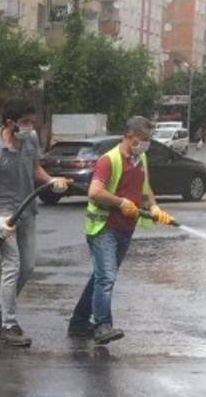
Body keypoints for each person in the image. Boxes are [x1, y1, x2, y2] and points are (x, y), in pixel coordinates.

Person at [0, 98, 69, 348]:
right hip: (4, 216)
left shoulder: (30, 140)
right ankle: (9, 324)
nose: (30, 127)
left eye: (32, 122)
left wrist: (51, 181)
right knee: (12, 265)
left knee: (28, 267)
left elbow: (35, 169)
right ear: (10, 123)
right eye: (25, 122)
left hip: (28, 210)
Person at [67, 116, 174, 345]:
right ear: (128, 136)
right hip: (103, 226)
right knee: (106, 277)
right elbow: (95, 192)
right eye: (142, 140)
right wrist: (120, 202)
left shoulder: (141, 158)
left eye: (148, 140)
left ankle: (78, 323)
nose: (145, 144)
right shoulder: (109, 160)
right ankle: (102, 325)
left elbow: (146, 189)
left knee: (100, 277)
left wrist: (154, 206)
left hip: (126, 228)